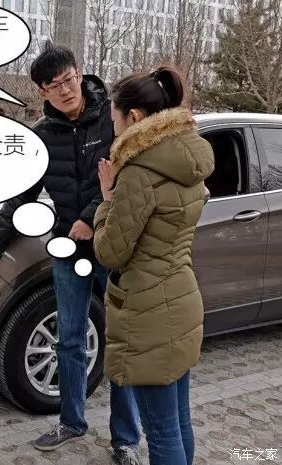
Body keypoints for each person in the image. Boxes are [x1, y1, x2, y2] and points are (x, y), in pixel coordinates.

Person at [0, 43, 141, 465]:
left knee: (121, 343)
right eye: (53, 85)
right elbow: (19, 200)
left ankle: (125, 440)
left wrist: (89, 217)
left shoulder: (113, 118)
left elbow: (127, 176)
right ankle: (71, 421)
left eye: (68, 79)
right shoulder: (41, 136)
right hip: (68, 249)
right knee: (69, 339)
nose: (65, 90)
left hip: (114, 245)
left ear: (79, 74)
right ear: (41, 92)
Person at [94, 66, 214, 465]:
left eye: (114, 120)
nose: (113, 130)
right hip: (181, 298)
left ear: (134, 117)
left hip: (148, 313)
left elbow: (111, 253)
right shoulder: (187, 161)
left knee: (161, 433)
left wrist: (107, 200)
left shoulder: (139, 173)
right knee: (179, 421)